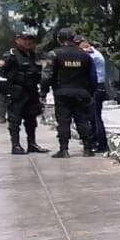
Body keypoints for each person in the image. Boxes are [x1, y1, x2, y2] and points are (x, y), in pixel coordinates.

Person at [42, 29, 97, 158]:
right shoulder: (85, 55)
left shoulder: (54, 54)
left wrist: (43, 92)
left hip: (62, 93)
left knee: (63, 121)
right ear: (74, 39)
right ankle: (88, 148)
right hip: (81, 93)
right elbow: (93, 76)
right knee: (83, 120)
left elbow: (47, 75)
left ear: (59, 39)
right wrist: (91, 93)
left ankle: (64, 149)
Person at [0, 31, 48, 154]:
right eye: (25, 39)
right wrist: (6, 92)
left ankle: (32, 144)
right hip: (17, 93)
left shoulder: (33, 55)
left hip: (31, 92)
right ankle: (16, 145)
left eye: (30, 39)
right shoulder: (10, 55)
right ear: (17, 40)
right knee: (15, 121)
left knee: (31, 120)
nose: (28, 42)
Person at [77, 36, 108, 153]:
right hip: (96, 87)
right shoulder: (91, 53)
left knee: (95, 117)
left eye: (79, 44)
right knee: (92, 116)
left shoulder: (92, 55)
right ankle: (96, 142)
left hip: (96, 87)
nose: (77, 47)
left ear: (85, 43)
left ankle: (100, 143)